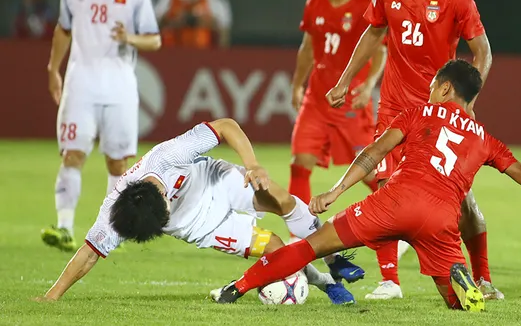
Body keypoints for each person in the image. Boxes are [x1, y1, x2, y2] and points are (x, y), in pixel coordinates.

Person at [210, 60, 521, 310]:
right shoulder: (486, 139)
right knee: (457, 305)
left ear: (445, 89)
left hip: (391, 204)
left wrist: (335, 193)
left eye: (434, 86)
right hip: (441, 222)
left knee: (312, 246)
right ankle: (464, 288)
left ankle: (238, 287)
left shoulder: (419, 112)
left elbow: (372, 155)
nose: (431, 91)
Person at [326, 0, 497, 300]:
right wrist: (344, 80)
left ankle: (483, 278)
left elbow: (482, 50)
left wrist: (467, 102)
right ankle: (390, 280)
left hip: (439, 116)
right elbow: (373, 33)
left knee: (463, 203)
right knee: (387, 188)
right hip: (394, 109)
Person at [34, 119, 356, 305]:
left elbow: (227, 126)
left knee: (282, 199)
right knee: (274, 248)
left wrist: (252, 164)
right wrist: (51, 298)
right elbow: (89, 253)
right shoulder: (118, 213)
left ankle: (332, 257)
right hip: (201, 228)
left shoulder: (171, 154)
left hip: (215, 181)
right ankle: (325, 283)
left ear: (161, 192)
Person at [42, 0, 162, 252]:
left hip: (120, 86)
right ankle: (64, 226)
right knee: (72, 154)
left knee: (118, 163)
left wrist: (130, 37)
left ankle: (112, 229)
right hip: (80, 83)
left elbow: (155, 40)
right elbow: (63, 30)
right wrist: (53, 69)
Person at [289, 0, 386, 283]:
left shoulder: (365, 4)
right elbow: (307, 48)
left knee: (372, 175)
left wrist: (370, 83)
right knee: (300, 163)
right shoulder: (313, 5)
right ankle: (300, 235)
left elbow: (380, 49)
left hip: (349, 103)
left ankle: (394, 219)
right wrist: (297, 83)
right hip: (317, 99)